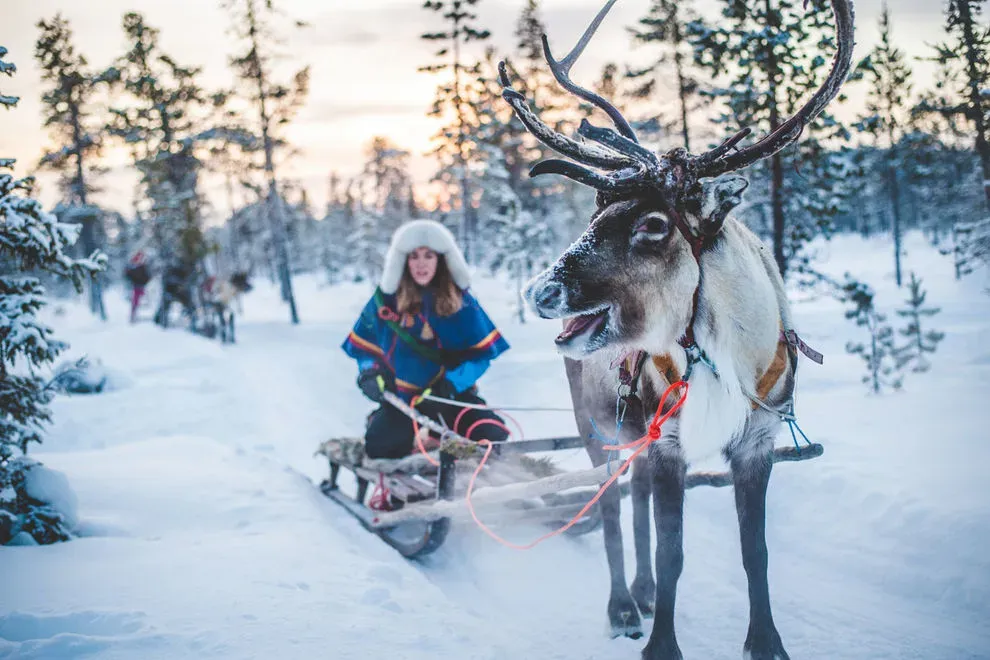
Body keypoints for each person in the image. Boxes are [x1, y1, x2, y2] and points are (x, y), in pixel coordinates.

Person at [343, 220, 511, 460]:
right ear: (403, 261)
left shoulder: (463, 303)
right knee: (381, 447)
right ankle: (392, 428)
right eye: (414, 256)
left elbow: (481, 357)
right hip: (402, 400)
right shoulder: (384, 302)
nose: (421, 263)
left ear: (441, 260)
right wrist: (369, 373)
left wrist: (452, 385)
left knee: (492, 435)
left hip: (453, 397)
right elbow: (364, 351)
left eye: (428, 256)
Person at [123, 251, 152, 324]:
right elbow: (129, 275)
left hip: (142, 286)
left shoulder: (142, 267)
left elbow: (147, 276)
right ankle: (133, 316)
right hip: (137, 286)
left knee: (140, 300)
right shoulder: (136, 267)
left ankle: (136, 315)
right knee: (136, 301)